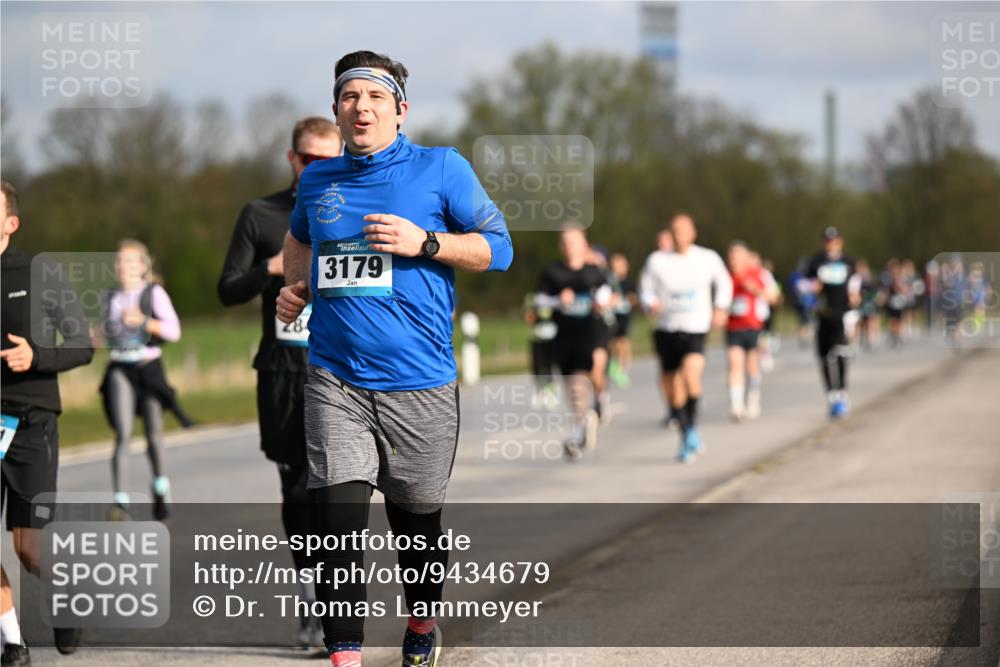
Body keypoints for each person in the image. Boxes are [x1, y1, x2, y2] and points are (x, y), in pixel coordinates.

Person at [275, 50, 512, 667]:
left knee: (417, 528)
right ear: (336, 109)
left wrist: (426, 242)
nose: (362, 107)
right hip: (336, 378)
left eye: (376, 97)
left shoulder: (441, 169)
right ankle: (344, 656)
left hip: (421, 383)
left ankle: (422, 623)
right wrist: (297, 286)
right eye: (350, 97)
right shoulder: (318, 181)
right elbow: (298, 240)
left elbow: (499, 247)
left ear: (400, 110)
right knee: (336, 520)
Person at [217, 116, 343, 648]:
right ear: (292, 159)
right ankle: (314, 604)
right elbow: (226, 289)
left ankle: (341, 601)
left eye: (325, 159)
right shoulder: (262, 213)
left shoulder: (355, 208)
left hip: (341, 364)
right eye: (305, 158)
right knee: (297, 489)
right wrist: (271, 268)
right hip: (283, 371)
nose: (313, 167)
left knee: (340, 491)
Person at [1, 181, 95, 664]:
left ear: (11, 223)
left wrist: (35, 355)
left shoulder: (41, 272)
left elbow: (82, 345)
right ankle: (12, 642)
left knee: (31, 550)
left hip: (29, 421)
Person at [96, 240, 184, 522]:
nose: (123, 267)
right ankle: (120, 502)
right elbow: (102, 334)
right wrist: (93, 337)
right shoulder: (109, 296)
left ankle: (160, 486)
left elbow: (174, 331)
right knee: (122, 433)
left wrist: (143, 321)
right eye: (119, 261)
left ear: (143, 267)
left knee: (153, 434)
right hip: (120, 367)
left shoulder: (153, 293)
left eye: (130, 262)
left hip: (148, 369)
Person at [639, 214, 732, 462]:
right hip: (666, 327)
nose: (679, 234)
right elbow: (645, 289)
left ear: (693, 233)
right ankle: (686, 432)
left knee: (691, 377)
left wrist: (721, 308)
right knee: (671, 387)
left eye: (683, 230)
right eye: (675, 230)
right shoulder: (657, 260)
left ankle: (692, 428)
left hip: (695, 326)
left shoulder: (707, 258)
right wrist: (651, 302)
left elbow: (724, 282)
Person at [536, 227, 609, 460]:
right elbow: (538, 299)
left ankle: (593, 410)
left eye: (574, 241)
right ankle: (582, 426)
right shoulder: (552, 272)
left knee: (583, 380)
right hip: (563, 336)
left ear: (584, 244)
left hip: (590, 333)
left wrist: (601, 301)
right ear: (561, 246)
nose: (570, 246)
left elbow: (606, 291)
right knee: (572, 388)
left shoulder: (593, 271)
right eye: (566, 242)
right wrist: (558, 300)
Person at [804, 227, 860, 418]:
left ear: (840, 241)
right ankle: (832, 396)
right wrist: (812, 287)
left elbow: (856, 283)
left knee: (841, 353)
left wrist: (855, 296)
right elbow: (803, 284)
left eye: (834, 240)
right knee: (824, 357)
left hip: (843, 313)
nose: (831, 243)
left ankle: (842, 394)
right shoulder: (815, 261)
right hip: (823, 313)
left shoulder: (848, 262)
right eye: (827, 240)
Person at [725, 243, 779, 421]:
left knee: (752, 365)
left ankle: (753, 398)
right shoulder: (725, 277)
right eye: (732, 257)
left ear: (746, 258)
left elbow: (773, 296)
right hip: (733, 328)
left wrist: (755, 289)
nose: (735, 261)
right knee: (735, 364)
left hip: (754, 326)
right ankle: (737, 406)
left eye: (738, 257)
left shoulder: (757, 274)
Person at [639, 227, 677, 427]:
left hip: (685, 323)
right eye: (659, 242)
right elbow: (645, 289)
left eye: (666, 241)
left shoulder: (683, 260)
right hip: (661, 324)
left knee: (684, 370)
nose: (663, 245)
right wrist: (650, 303)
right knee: (665, 370)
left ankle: (682, 406)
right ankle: (672, 408)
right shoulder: (653, 261)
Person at [522, 292, 559, 411]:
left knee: (548, 367)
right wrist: (533, 314)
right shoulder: (534, 298)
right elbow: (528, 318)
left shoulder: (555, 295)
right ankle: (539, 391)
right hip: (537, 336)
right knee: (537, 367)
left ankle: (551, 394)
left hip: (552, 337)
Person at [608, 253, 638, 389]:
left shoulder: (630, 282)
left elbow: (635, 299)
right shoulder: (608, 282)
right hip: (611, 316)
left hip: (625, 316)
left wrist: (631, 299)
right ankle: (614, 365)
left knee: (624, 342)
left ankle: (623, 369)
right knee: (614, 343)